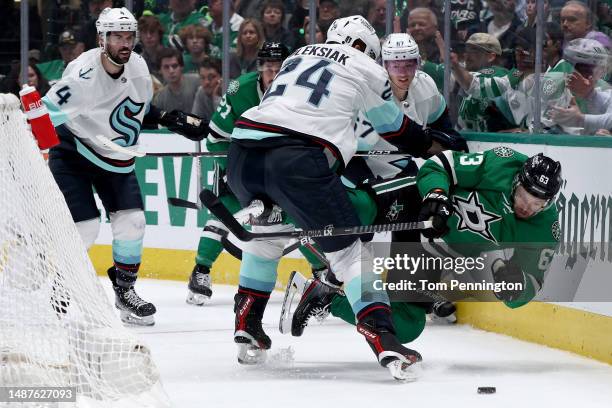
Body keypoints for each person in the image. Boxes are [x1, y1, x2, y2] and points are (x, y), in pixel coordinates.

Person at [226, 16, 434, 380]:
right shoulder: (366, 67)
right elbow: (396, 129)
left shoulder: (297, 55)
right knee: (350, 253)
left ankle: (248, 321)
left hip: (242, 153)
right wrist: (434, 145)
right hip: (296, 159)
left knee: (268, 238)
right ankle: (384, 338)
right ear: (364, 49)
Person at [290, 149, 562, 344]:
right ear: (518, 181)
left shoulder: (545, 228)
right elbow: (439, 165)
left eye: (539, 202)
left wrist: (513, 286)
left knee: (408, 325)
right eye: (526, 196)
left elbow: (532, 284)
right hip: (418, 204)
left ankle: (325, 298)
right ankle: (286, 200)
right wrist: (436, 195)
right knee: (358, 209)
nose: (528, 206)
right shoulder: (503, 163)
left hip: (431, 254)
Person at [42, 7, 208, 326]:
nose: (124, 43)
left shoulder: (138, 67)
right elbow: (44, 113)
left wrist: (167, 118)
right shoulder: (82, 76)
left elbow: (132, 110)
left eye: (128, 36)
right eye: (116, 36)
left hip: (116, 156)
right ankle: (63, 280)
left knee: (133, 223)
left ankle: (124, 291)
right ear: (101, 39)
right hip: (74, 152)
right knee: (86, 227)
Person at [186, 42, 289, 305]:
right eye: (269, 68)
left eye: (280, 69)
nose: (274, 75)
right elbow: (215, 139)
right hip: (240, 165)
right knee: (226, 210)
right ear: (259, 69)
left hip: (279, 170)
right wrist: (242, 164)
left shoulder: (299, 92)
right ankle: (201, 270)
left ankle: (322, 273)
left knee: (299, 215)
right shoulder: (239, 89)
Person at [154, 47, 201, 113]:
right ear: (160, 70)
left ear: (182, 67)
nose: (171, 71)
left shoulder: (197, 81)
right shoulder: (161, 97)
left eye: (174, 66)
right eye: (166, 67)